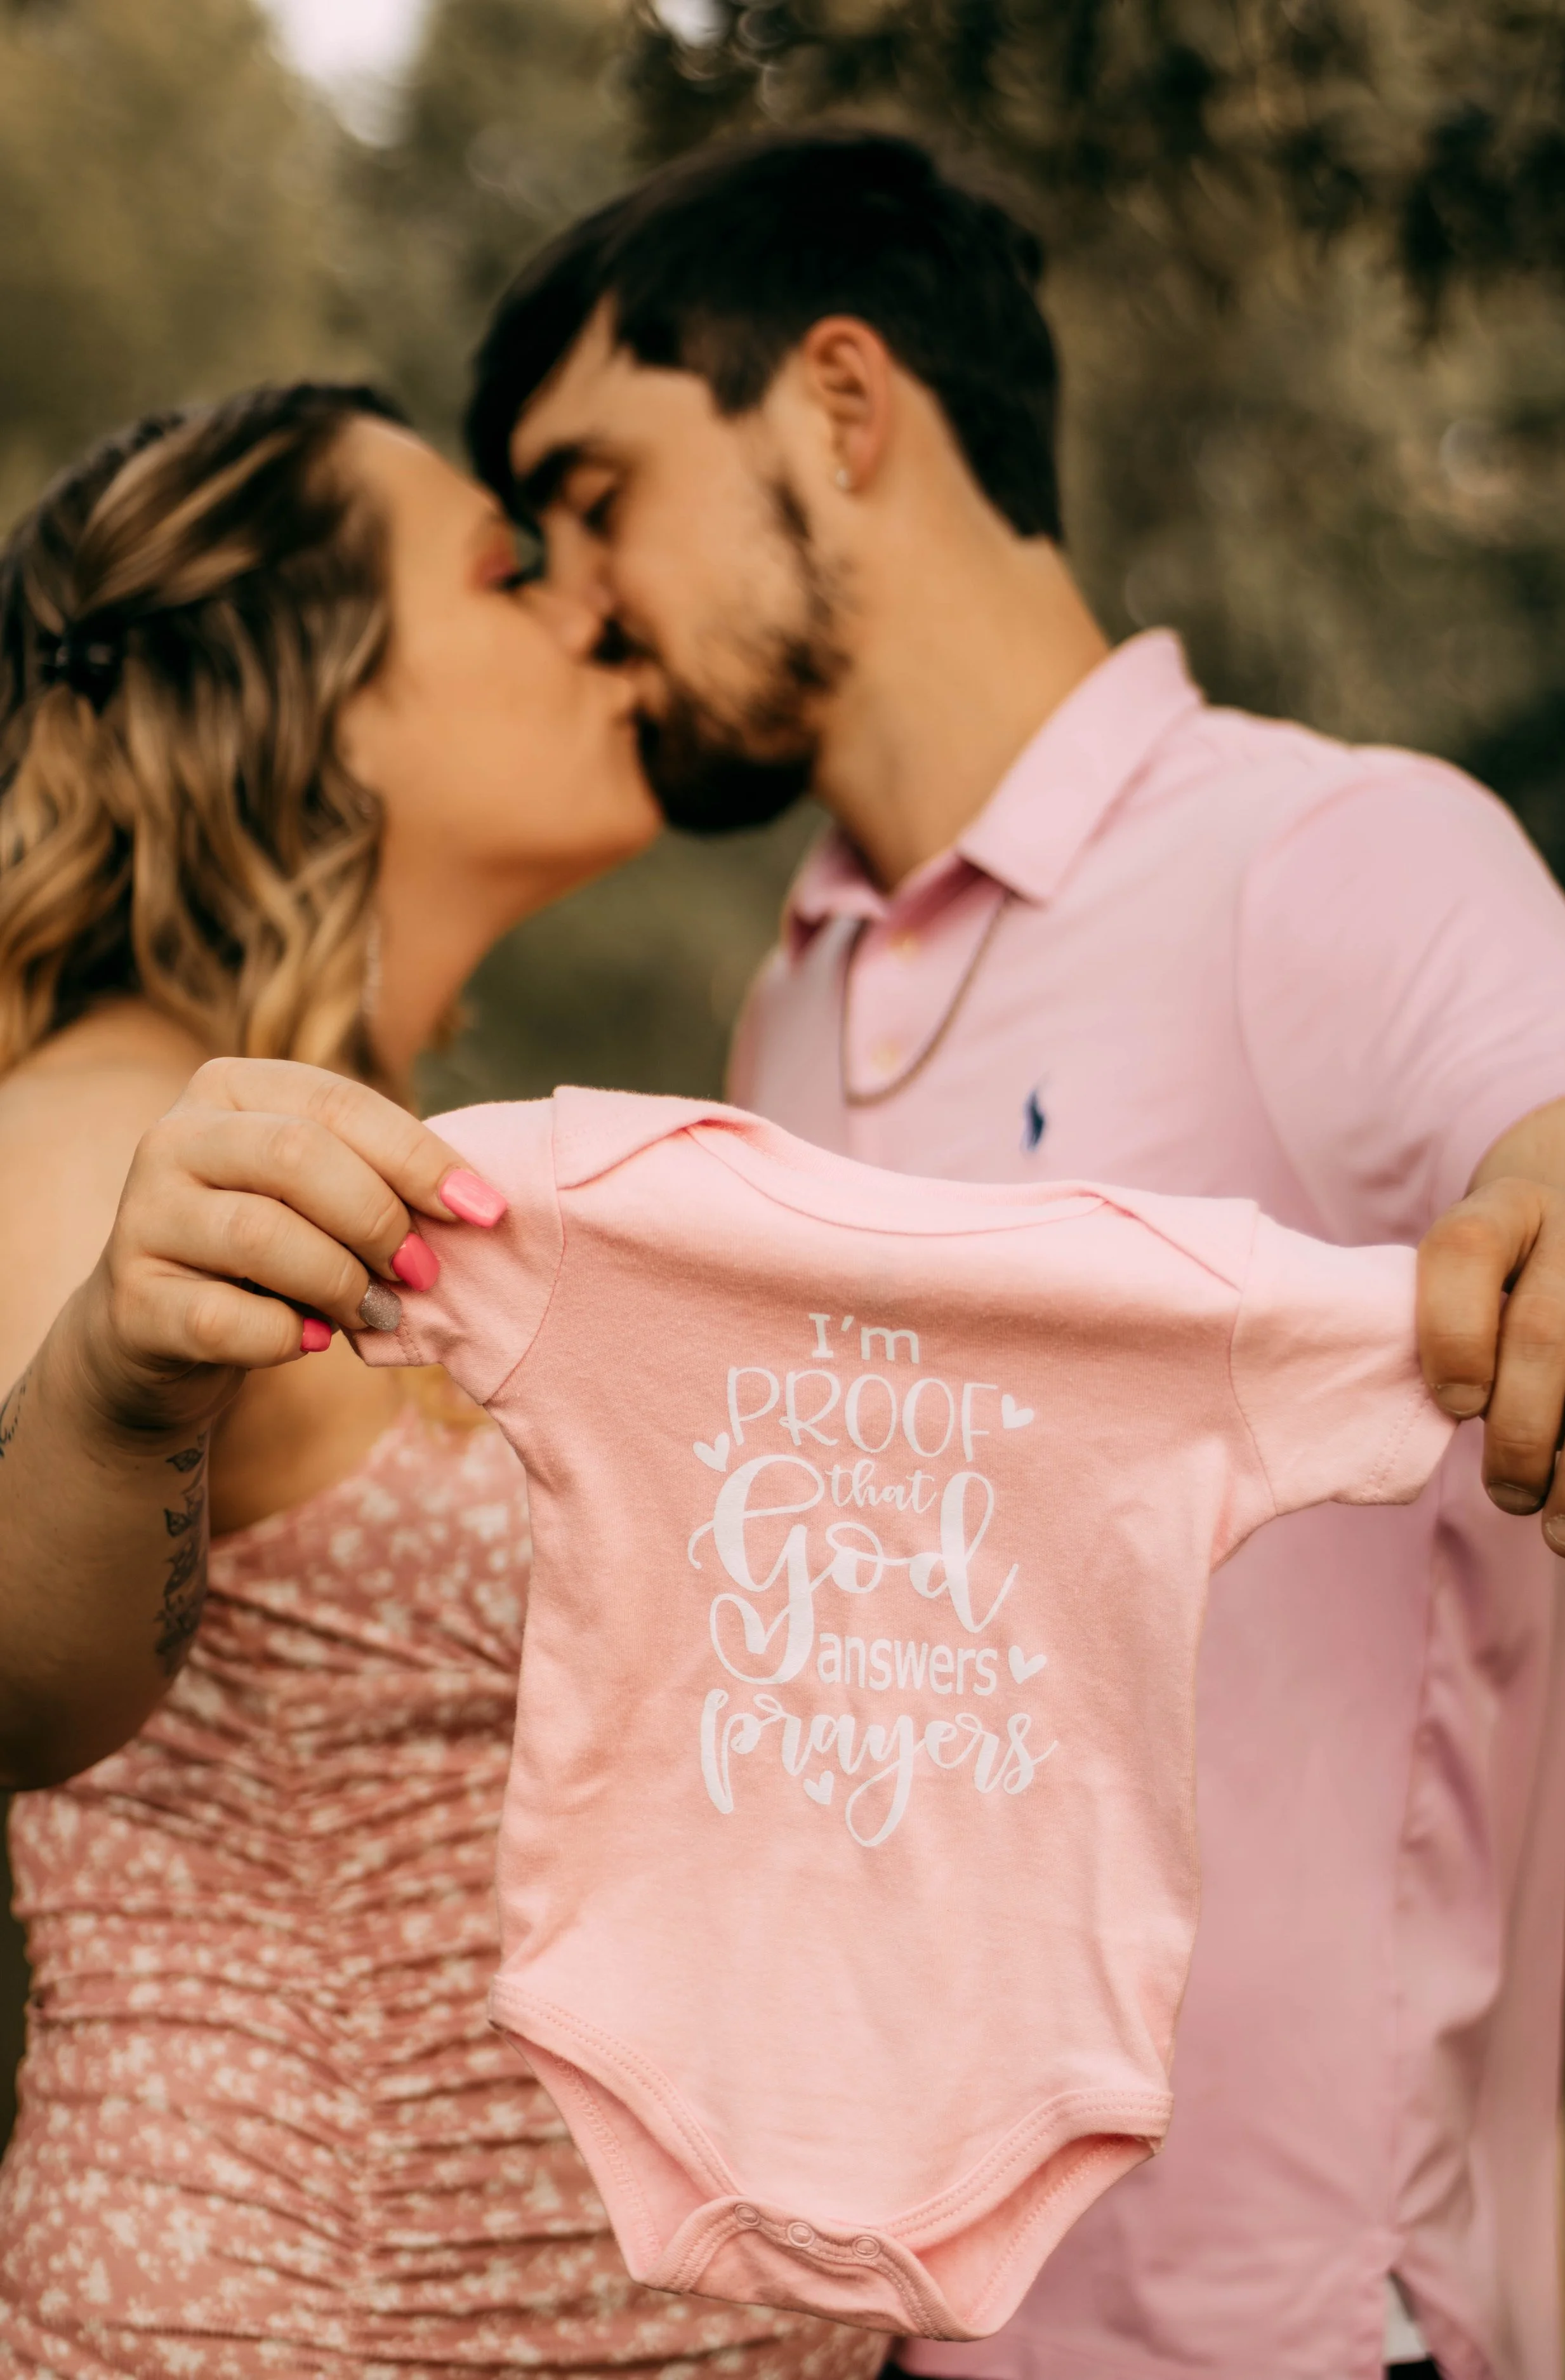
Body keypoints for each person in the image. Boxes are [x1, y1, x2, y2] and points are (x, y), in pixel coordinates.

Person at [465, 129, 1565, 2380]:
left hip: (1311, 2331)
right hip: (893, 2325)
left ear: (841, 406)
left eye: (595, 493)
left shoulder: (1334, 855)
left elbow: (1556, 1123)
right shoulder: (777, 1006)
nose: (573, 594)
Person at [0, 380, 886, 2380]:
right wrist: (113, 1389)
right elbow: (14, 1682)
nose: (592, 609)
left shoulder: (423, 1148)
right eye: (511, 567)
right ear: (295, 684)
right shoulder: (95, 1141)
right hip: (298, 2312)